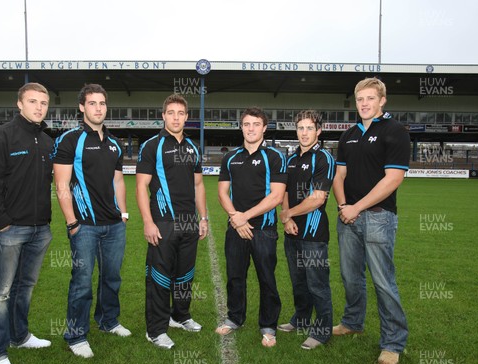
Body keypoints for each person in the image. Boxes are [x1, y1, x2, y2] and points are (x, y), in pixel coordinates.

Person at [332, 77, 410, 364]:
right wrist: (343, 206)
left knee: (382, 281)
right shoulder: (348, 135)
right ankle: (352, 322)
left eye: (370, 98)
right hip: (347, 216)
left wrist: (357, 207)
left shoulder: (395, 132)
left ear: (382, 101)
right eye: (360, 99)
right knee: (350, 277)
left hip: (378, 216)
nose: (364, 104)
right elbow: (339, 176)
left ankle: (392, 343)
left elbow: (393, 179)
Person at [0, 82, 53, 364]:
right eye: (32, 101)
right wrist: (2, 221)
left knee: (25, 287)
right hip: (10, 229)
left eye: (44, 103)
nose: (38, 107)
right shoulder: (1, 136)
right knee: (0, 293)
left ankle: (19, 336)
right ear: (19, 104)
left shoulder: (48, 141)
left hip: (40, 229)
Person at [52, 84, 130, 359]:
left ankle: (108, 321)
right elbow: (61, 184)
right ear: (82, 108)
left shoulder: (114, 143)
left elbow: (118, 180)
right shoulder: (70, 140)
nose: (98, 108)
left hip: (114, 225)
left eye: (102, 103)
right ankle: (76, 335)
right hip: (83, 225)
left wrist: (123, 213)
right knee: (82, 281)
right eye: (92, 103)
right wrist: (72, 222)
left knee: (112, 278)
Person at [136, 93, 208, 349]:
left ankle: (181, 315)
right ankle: (155, 330)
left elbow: (199, 185)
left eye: (181, 113)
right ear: (163, 115)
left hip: (190, 223)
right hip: (163, 222)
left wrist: (204, 217)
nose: (176, 118)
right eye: (171, 113)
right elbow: (141, 186)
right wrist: (147, 221)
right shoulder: (152, 146)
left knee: (184, 275)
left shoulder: (192, 147)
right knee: (159, 277)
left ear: (187, 117)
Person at [216, 107, 287, 348]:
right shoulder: (230, 157)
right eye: (247, 124)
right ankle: (235, 318)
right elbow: (222, 193)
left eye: (256, 124)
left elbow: (276, 197)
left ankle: (268, 325)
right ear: (242, 127)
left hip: (263, 230)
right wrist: (236, 218)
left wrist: (244, 217)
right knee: (235, 277)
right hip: (235, 228)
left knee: (266, 278)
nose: (251, 128)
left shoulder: (275, 157)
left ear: (264, 128)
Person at [277, 110, 335, 350]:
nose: (304, 132)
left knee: (317, 284)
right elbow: (286, 193)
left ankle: (322, 331)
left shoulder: (323, 158)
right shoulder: (291, 159)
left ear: (318, 131)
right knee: (298, 281)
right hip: (292, 232)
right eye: (300, 128)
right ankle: (301, 319)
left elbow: (318, 199)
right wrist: (287, 219)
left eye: (309, 128)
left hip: (313, 234)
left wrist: (288, 214)